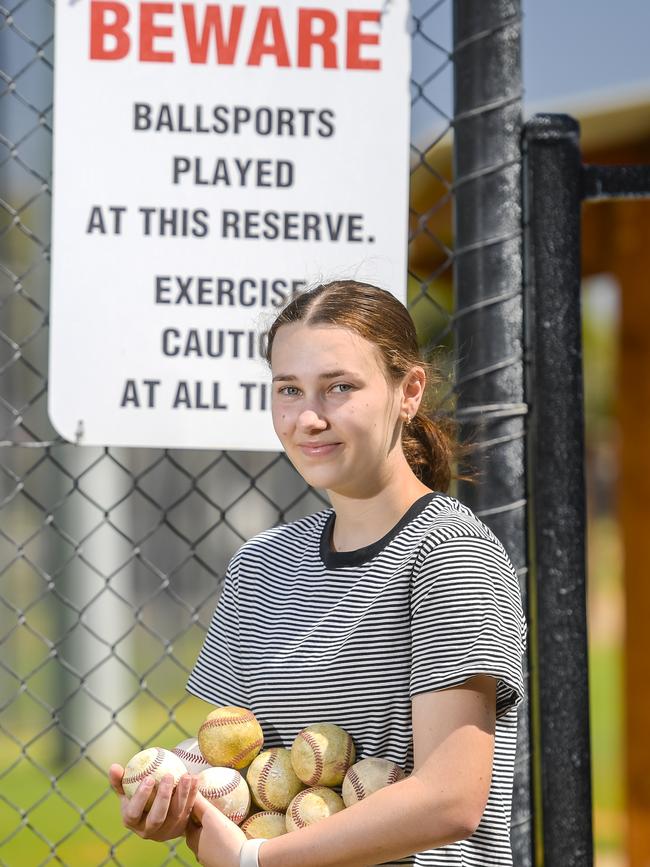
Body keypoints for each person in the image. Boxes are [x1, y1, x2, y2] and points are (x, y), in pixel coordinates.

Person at [109, 280, 527, 867]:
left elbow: (451, 799)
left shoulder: (448, 554)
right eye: (288, 389)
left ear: (407, 392)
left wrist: (256, 861)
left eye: (339, 388)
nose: (307, 417)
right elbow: (240, 768)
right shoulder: (262, 563)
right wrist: (175, 789)